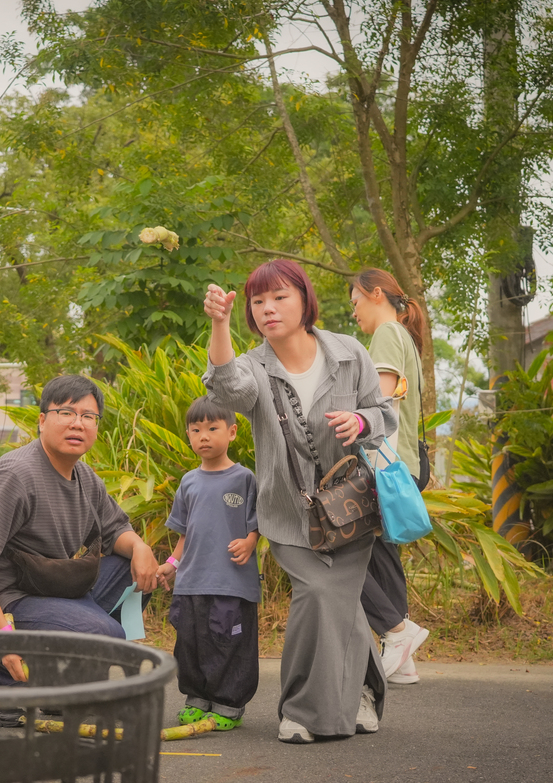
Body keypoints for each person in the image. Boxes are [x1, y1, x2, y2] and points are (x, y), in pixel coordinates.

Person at [202, 259, 396, 744]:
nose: (268, 308)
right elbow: (226, 389)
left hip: (351, 506)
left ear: (304, 300)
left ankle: (354, 696)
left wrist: (362, 423)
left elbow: (384, 412)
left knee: (341, 602)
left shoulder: (349, 353)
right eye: (258, 301)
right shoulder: (251, 366)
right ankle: (308, 710)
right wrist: (219, 325)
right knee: (319, 596)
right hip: (288, 512)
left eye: (280, 297)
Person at [0, 374, 160, 723]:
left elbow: (115, 530)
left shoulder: (84, 477)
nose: (78, 423)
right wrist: (2, 636)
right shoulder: (14, 475)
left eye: (88, 416)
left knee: (135, 572)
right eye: (66, 412)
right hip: (5, 598)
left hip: (47, 584)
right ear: (42, 420)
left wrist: (140, 547)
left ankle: (53, 682)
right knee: (104, 635)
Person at [156, 396, 260, 732]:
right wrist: (172, 564)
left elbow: (257, 522)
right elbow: (185, 535)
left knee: (228, 643)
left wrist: (250, 541)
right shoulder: (188, 482)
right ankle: (197, 699)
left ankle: (229, 704)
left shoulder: (244, 479)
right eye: (196, 429)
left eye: (212, 428)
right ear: (188, 434)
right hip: (191, 582)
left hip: (231, 582)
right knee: (190, 642)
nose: (204, 436)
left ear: (231, 432)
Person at [350, 268, 432, 685]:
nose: (354, 313)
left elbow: (378, 406)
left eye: (355, 302)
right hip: (404, 463)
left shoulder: (385, 334)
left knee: (342, 552)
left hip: (385, 464)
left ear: (376, 293)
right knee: (382, 552)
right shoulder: (402, 336)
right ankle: (402, 654)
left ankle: (397, 632)